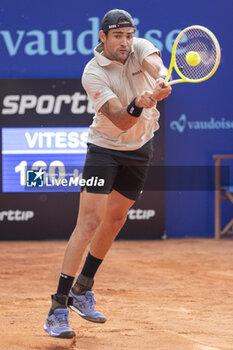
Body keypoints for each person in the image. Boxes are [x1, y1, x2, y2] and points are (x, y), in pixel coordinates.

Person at [44, 8, 171, 338]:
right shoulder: (92, 73)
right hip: (103, 149)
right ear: (102, 37)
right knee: (88, 223)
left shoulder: (139, 47)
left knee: (115, 220)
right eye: (118, 36)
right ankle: (58, 307)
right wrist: (139, 103)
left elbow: (156, 64)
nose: (125, 42)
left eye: (129, 35)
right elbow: (120, 119)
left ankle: (82, 289)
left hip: (140, 149)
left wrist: (158, 78)